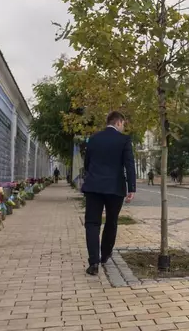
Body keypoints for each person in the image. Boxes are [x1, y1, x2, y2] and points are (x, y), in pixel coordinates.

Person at [81, 111, 136, 275]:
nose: (123, 127)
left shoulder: (93, 139)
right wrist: (131, 187)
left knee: (92, 223)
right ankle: (104, 255)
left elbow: (87, 163)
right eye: (123, 124)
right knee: (111, 221)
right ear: (119, 122)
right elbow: (129, 164)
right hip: (115, 188)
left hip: (94, 187)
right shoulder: (124, 140)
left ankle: (93, 263)